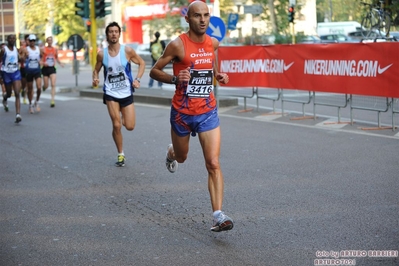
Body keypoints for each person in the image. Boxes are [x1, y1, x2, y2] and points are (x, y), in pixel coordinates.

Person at [149, 1, 233, 232]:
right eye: (197, 16)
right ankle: (171, 152)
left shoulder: (213, 43)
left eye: (206, 15)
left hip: (207, 112)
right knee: (182, 157)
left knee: (213, 163)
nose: (203, 20)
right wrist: (176, 79)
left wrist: (218, 75)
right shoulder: (177, 45)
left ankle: (218, 215)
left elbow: (210, 66)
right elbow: (154, 70)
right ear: (188, 18)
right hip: (182, 114)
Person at [92, 22, 145, 167]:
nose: (114, 34)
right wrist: (95, 78)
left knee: (130, 126)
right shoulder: (102, 54)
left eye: (116, 31)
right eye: (111, 32)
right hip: (110, 93)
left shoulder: (127, 51)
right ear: (107, 35)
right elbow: (96, 70)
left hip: (126, 92)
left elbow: (141, 63)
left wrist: (137, 79)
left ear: (119, 34)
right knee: (116, 125)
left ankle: (122, 114)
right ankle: (121, 154)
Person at [0, 34, 23, 122]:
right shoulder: (3, 50)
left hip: (15, 73)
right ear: (7, 40)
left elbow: (19, 59)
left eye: (14, 38)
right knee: (9, 93)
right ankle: (5, 98)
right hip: (6, 74)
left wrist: (23, 58)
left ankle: (18, 114)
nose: (12, 40)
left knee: (17, 93)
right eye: (10, 38)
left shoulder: (16, 50)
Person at [41, 36, 64, 108]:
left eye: (51, 40)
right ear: (47, 41)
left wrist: (60, 63)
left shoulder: (55, 49)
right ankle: (44, 87)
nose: (50, 42)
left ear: (52, 41)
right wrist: (43, 63)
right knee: (46, 85)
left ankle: (52, 100)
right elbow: (40, 59)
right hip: (45, 68)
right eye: (48, 40)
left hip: (52, 68)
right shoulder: (43, 49)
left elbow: (56, 58)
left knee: (53, 84)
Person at [24, 34, 42, 113]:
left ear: (35, 41)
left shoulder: (38, 49)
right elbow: (22, 59)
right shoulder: (26, 49)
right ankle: (30, 104)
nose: (32, 42)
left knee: (39, 87)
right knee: (30, 89)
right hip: (29, 71)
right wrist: (25, 56)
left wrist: (41, 61)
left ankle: (37, 102)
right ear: (28, 41)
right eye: (31, 41)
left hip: (37, 70)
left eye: (33, 41)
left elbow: (41, 57)